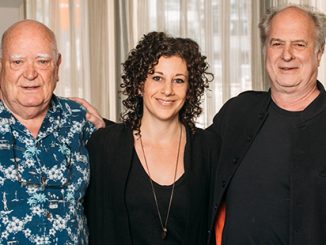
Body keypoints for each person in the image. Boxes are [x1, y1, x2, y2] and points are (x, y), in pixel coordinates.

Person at [85, 31, 219, 244]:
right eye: (157, 78)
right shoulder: (104, 146)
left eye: (178, 80)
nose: (167, 90)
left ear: (189, 89)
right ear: (140, 84)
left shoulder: (209, 150)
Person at [207, 4, 326, 245]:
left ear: (319, 52)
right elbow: (185, 151)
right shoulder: (238, 111)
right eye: (277, 43)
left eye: (299, 44)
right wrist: (112, 130)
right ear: (265, 50)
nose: (287, 54)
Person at [0, 20, 104, 244]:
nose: (30, 73)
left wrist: (106, 133)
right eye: (17, 62)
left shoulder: (80, 119)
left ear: (57, 65)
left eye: (42, 61)